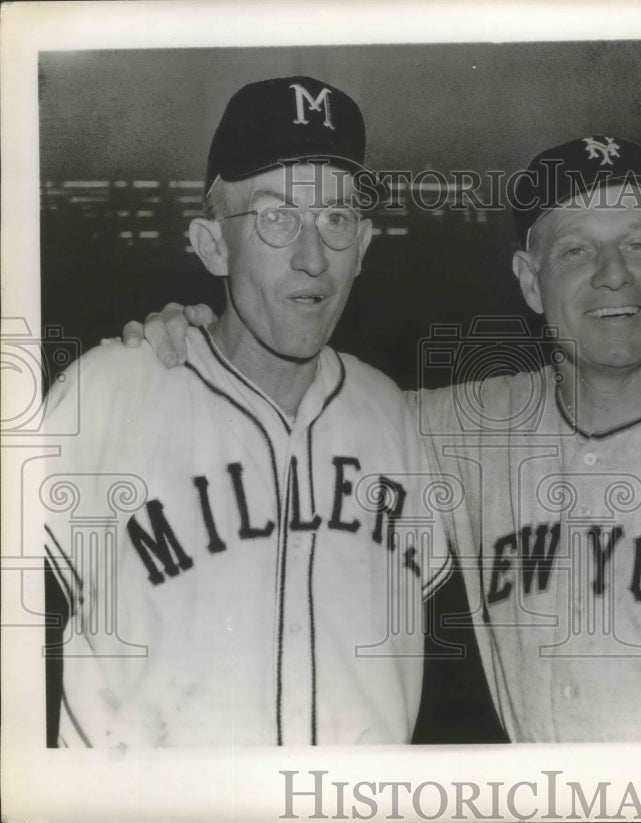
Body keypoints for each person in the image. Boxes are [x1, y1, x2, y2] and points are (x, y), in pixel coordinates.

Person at [126, 136, 641, 742]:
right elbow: (300, 400)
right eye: (576, 251)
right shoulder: (456, 429)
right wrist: (198, 336)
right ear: (530, 283)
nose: (614, 275)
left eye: (637, 243)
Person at [41, 76, 452, 748]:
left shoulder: (392, 414)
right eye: (275, 217)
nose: (312, 258)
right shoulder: (107, 394)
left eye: (335, 219)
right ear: (212, 245)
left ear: (363, 248)